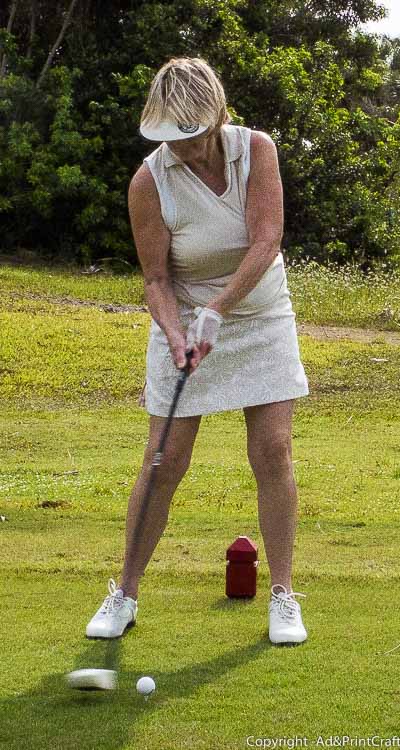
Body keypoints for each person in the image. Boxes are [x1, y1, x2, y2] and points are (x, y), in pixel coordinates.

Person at [85, 56, 310, 645]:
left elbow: (266, 239)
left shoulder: (256, 150)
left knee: (273, 450)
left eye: (189, 136)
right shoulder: (149, 181)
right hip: (183, 319)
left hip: (260, 315)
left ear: (215, 119)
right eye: (169, 137)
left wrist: (220, 309)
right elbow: (156, 279)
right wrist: (177, 331)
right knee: (164, 461)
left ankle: (283, 595)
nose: (179, 148)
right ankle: (124, 593)